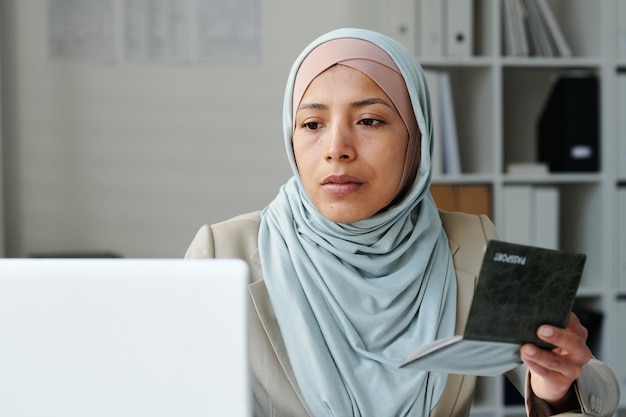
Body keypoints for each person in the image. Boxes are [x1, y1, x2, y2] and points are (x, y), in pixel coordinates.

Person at [185, 28, 620, 417]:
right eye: (312, 123)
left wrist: (557, 388)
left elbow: (598, 391)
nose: (336, 148)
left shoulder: (471, 241)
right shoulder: (224, 253)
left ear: (418, 137)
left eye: (370, 120)